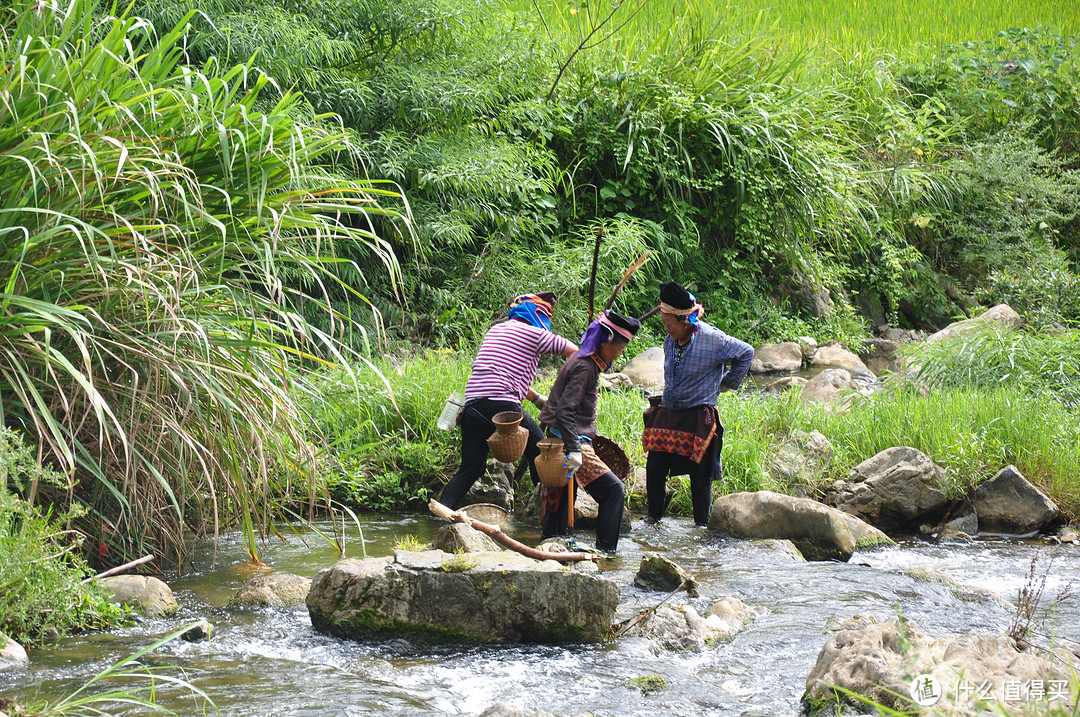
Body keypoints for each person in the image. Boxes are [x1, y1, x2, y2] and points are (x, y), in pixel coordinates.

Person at [439, 293, 578, 510]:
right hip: (501, 406)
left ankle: (441, 512)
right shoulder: (534, 333)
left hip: (472, 407)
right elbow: (576, 354)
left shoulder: (496, 330)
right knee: (542, 453)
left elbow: (502, 375)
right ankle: (545, 514)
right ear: (537, 315)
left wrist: (537, 399)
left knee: (470, 469)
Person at [643, 281, 754, 526]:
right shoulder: (671, 338)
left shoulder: (713, 339)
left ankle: (701, 528)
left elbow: (746, 352)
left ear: (684, 321)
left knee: (699, 476)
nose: (666, 328)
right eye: (664, 322)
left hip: (698, 417)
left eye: (669, 323)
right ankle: (653, 522)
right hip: (670, 411)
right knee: (655, 467)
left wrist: (724, 385)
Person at [537, 310, 641, 553]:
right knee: (614, 491)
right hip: (567, 441)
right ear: (606, 341)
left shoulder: (584, 360)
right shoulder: (585, 366)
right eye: (620, 348)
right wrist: (575, 450)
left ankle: (552, 542)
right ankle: (606, 553)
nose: (619, 354)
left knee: (563, 496)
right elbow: (565, 411)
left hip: (562, 437)